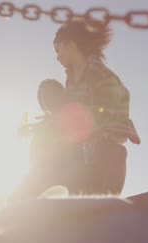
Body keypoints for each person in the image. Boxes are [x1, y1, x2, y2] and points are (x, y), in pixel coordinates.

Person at [10, 20, 140, 201]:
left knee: (54, 107)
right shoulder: (71, 81)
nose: (57, 57)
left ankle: (90, 198)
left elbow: (104, 115)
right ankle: (26, 193)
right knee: (48, 90)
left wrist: (61, 124)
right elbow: (67, 116)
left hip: (104, 157)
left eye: (58, 50)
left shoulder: (103, 76)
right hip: (78, 156)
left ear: (72, 45)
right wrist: (38, 128)